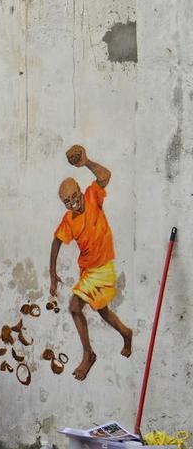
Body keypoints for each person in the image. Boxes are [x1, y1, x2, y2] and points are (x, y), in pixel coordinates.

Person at [49, 144, 132, 381]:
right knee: (102, 311)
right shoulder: (69, 220)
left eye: (75, 197)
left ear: (80, 192)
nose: (73, 203)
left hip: (103, 265)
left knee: (75, 307)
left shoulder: (92, 196)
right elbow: (55, 243)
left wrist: (85, 162)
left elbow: (105, 176)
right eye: (67, 202)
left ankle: (88, 355)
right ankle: (126, 333)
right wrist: (52, 275)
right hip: (88, 270)